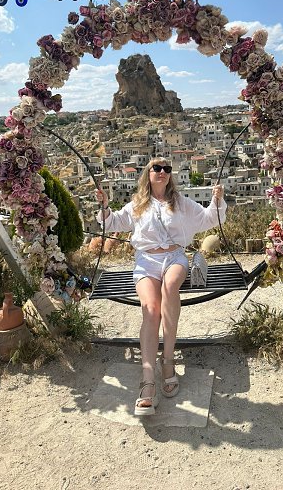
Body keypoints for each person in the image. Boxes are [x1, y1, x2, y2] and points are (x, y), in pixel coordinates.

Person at [96, 157, 226, 416]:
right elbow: (112, 223)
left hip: (175, 257)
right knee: (151, 310)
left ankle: (168, 361)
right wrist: (105, 205)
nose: (163, 171)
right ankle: (148, 379)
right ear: (148, 173)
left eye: (167, 168)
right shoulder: (137, 204)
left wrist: (217, 199)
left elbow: (209, 219)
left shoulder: (181, 203)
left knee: (170, 286)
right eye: (157, 168)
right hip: (146, 261)